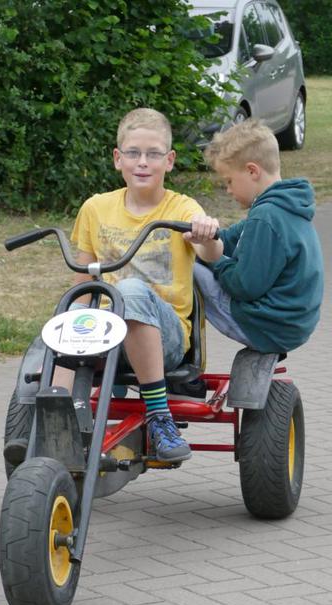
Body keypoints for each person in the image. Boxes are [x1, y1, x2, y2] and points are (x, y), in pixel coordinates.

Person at [59, 107, 207, 462]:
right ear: (117, 158)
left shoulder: (183, 209)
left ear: (169, 161)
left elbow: (212, 253)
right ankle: (51, 423)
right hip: (106, 335)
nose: (142, 162)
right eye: (133, 153)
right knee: (59, 326)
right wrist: (62, 336)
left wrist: (206, 233)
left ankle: (158, 416)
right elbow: (84, 288)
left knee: (130, 290)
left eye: (153, 154)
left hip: (166, 339)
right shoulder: (95, 208)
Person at [184, 118, 324, 354]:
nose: (228, 190)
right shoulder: (284, 206)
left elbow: (244, 287)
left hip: (267, 326)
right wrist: (204, 238)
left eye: (229, 181)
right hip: (289, 325)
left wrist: (214, 259)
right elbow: (228, 238)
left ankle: (176, 349)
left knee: (186, 268)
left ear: (252, 171)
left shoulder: (266, 217)